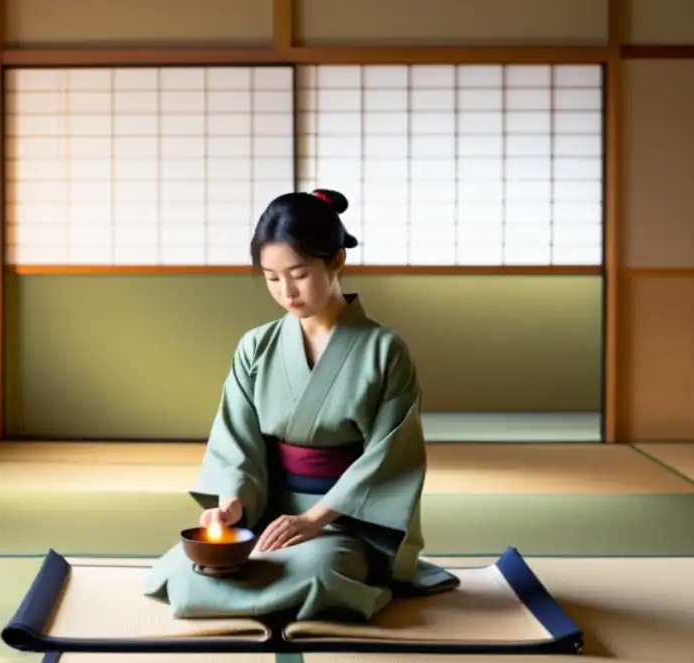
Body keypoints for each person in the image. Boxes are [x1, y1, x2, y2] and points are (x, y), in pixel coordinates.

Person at [144, 189, 459, 623]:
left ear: (335, 262)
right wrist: (232, 505)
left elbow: (391, 457)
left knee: (318, 572)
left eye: (298, 273)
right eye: (272, 278)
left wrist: (314, 518)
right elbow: (237, 442)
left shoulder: (384, 350)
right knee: (182, 568)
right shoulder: (256, 346)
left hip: (344, 521)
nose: (286, 291)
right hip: (269, 512)